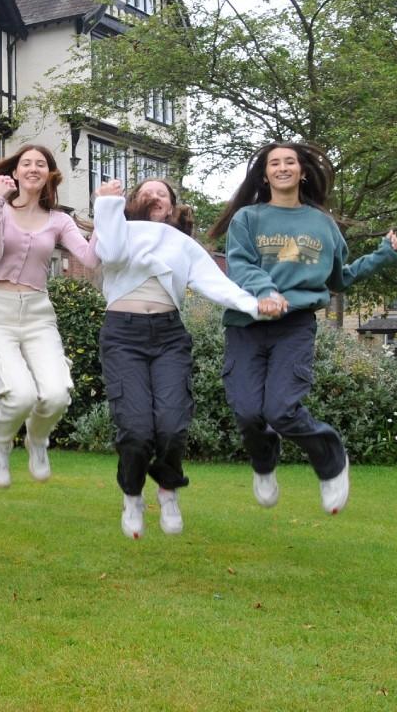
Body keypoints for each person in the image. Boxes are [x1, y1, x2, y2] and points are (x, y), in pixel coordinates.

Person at [208, 142, 397, 515]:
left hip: (294, 326)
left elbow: (340, 278)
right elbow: (240, 264)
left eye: (289, 162)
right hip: (246, 325)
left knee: (281, 410)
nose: (282, 167)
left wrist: (381, 255)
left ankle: (330, 460)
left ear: (303, 172)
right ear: (265, 175)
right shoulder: (248, 218)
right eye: (274, 163)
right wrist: (265, 290)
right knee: (248, 412)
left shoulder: (321, 225)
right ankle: (264, 465)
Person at [92, 177, 282, 539]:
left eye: (162, 193)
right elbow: (113, 254)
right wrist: (106, 205)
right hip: (123, 335)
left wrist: (256, 305)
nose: (154, 196)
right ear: (131, 202)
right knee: (134, 429)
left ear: (173, 206)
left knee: (172, 424)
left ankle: (168, 490)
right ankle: (132, 496)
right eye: (145, 191)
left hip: (168, 336)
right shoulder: (118, 229)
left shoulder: (183, 245)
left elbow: (218, 284)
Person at [0, 145, 98, 489]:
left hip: (38, 313)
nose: (32, 168)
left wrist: (105, 216)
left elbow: (89, 258)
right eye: (25, 163)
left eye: (40, 164)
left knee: (57, 394)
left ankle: (37, 439)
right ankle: (0, 443)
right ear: (15, 173)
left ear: (49, 175)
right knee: (20, 394)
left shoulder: (59, 220)